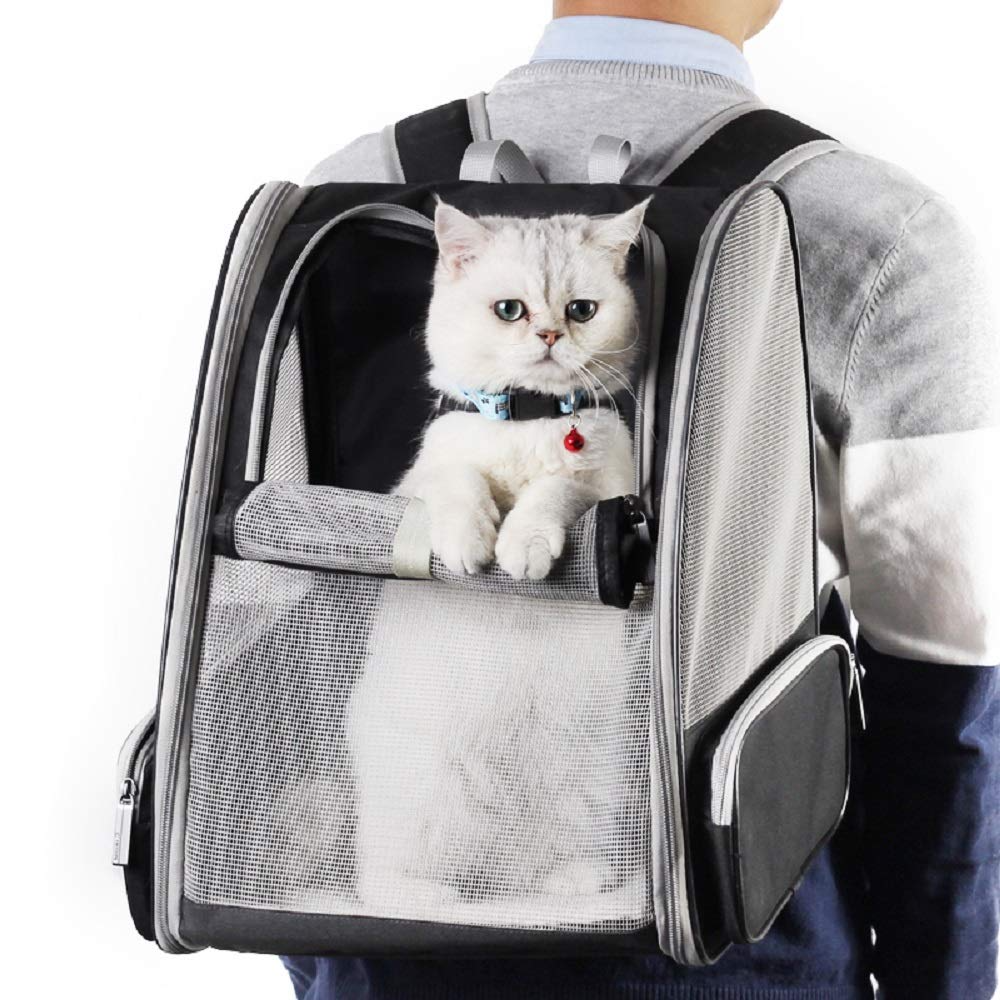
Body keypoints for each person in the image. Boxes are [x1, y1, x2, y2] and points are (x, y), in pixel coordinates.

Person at [286, 2, 1000, 997]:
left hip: (388, 933)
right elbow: (943, 701)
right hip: (725, 949)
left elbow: (289, 629)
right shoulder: (876, 230)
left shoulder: (338, 193)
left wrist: (335, 959)